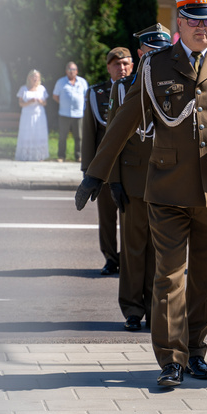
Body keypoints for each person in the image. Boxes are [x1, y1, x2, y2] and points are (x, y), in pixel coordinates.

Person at [75, 0, 207, 387]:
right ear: (179, 22)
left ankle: (195, 349)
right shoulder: (155, 65)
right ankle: (170, 359)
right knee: (168, 275)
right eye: (196, 20)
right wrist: (95, 172)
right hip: (166, 189)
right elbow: (125, 119)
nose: (204, 27)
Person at [106, 24, 171, 331]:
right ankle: (133, 308)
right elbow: (113, 136)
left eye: (161, 50)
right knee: (133, 249)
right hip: (133, 179)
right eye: (150, 50)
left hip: (168, 179)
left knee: (163, 251)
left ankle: (157, 307)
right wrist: (113, 179)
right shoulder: (124, 87)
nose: (154, 55)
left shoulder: (174, 82)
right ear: (141, 52)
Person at [82, 48, 133, 276]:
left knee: (132, 218)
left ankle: (132, 260)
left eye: (125, 64)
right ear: (108, 68)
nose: (121, 68)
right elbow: (90, 134)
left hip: (134, 167)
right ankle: (111, 259)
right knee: (107, 216)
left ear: (132, 65)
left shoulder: (141, 87)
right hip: (106, 168)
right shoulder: (97, 93)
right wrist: (88, 172)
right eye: (115, 65)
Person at [53, 61, 88, 162]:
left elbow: (86, 96)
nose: (71, 72)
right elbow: (55, 96)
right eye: (69, 69)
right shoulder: (60, 82)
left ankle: (79, 156)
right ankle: (61, 156)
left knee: (79, 137)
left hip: (79, 114)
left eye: (73, 69)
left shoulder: (82, 82)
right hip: (64, 113)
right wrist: (64, 103)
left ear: (76, 71)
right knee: (62, 136)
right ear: (66, 71)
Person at [14, 69, 49, 161]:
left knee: (39, 134)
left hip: (39, 115)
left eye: (37, 77)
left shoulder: (42, 89)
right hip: (27, 116)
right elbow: (20, 103)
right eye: (33, 76)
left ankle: (39, 156)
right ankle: (26, 155)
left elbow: (45, 103)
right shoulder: (23, 89)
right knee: (27, 134)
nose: (35, 78)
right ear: (29, 78)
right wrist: (29, 102)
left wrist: (40, 101)